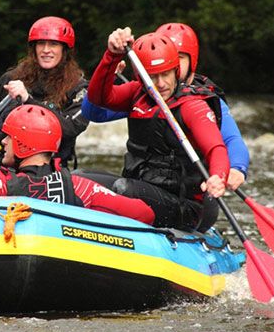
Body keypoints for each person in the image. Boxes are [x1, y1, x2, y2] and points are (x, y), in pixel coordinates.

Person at [0, 105, 155, 224]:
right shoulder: (79, 186)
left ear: (23, 144)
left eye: (8, 138)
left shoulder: (0, 182)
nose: (3, 144)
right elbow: (144, 213)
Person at [80, 22, 249, 191]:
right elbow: (93, 112)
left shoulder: (202, 99)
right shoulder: (144, 92)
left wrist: (236, 168)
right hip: (145, 183)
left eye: (180, 56)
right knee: (81, 178)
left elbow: (230, 140)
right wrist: (108, 77)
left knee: (125, 188)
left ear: (192, 60)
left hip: (190, 191)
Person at [87, 29, 229, 229]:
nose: (161, 84)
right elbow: (98, 97)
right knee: (79, 178)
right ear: (141, 76)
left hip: (182, 206)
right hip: (140, 189)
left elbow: (217, 148)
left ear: (176, 71)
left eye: (166, 74)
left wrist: (218, 177)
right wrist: (112, 56)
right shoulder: (137, 93)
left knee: (122, 188)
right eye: (153, 77)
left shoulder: (191, 106)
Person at [0, 16, 89, 171]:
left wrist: (28, 100)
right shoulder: (12, 79)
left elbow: (71, 128)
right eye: (41, 44)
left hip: (50, 170)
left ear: (65, 50)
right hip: (6, 166)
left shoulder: (78, 87)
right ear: (33, 48)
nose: (46, 50)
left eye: (53, 44)